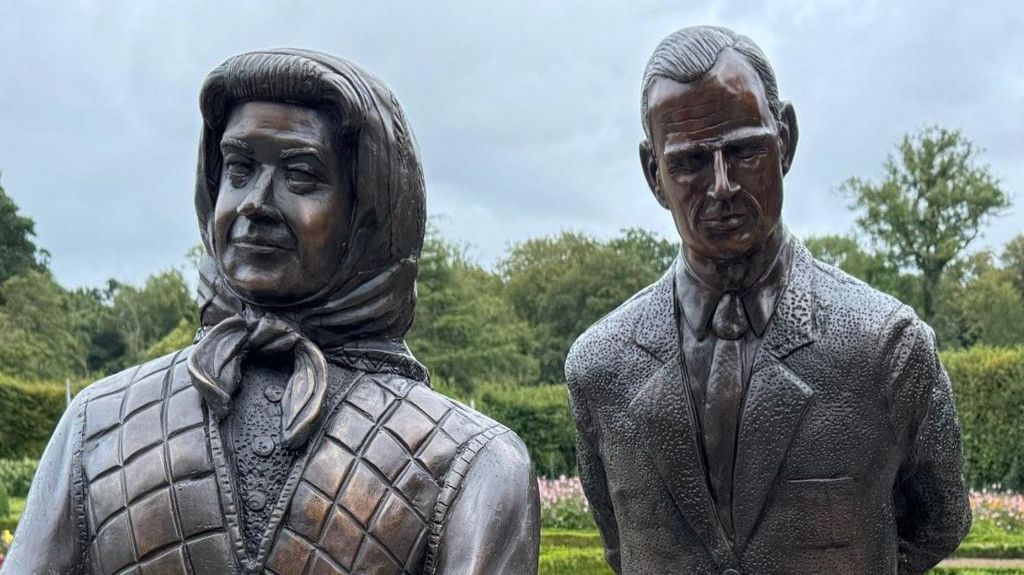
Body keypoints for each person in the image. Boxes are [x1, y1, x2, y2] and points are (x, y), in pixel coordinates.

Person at [4, 49, 539, 575]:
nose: (255, 203)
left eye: (301, 175)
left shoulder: (473, 462)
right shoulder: (96, 426)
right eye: (238, 169)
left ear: (368, 212)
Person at [565, 26, 971, 575]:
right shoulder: (599, 368)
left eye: (744, 150)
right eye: (689, 161)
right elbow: (622, 545)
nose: (723, 185)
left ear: (787, 142)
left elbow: (940, 521)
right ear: (652, 173)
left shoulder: (885, 348)